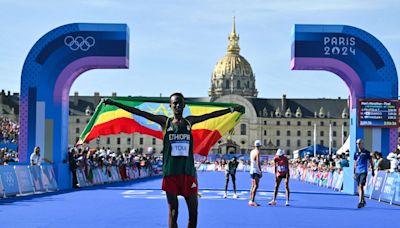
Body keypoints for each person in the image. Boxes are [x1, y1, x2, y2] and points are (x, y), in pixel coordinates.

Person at [104, 93, 241, 228]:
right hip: (171, 174)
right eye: (174, 103)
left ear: (184, 105)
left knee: (194, 213)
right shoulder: (165, 122)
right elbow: (139, 112)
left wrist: (230, 110)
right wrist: (114, 103)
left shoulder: (189, 121)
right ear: (170, 106)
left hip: (188, 173)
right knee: (174, 213)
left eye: (180, 103)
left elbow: (210, 116)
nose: (177, 105)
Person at [354, 138, 374, 208]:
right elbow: (355, 163)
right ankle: (363, 200)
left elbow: (371, 161)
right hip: (357, 172)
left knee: (361, 186)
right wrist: (354, 172)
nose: (358, 145)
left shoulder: (366, 152)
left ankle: (360, 201)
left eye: (359, 143)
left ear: (362, 144)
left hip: (363, 171)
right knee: (359, 187)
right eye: (357, 143)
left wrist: (373, 170)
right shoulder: (356, 153)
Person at [248, 140, 262, 206]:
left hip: (252, 170)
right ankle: (252, 200)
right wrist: (260, 171)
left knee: (253, 185)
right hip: (256, 170)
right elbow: (258, 162)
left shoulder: (252, 151)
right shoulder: (258, 152)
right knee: (256, 185)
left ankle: (251, 200)